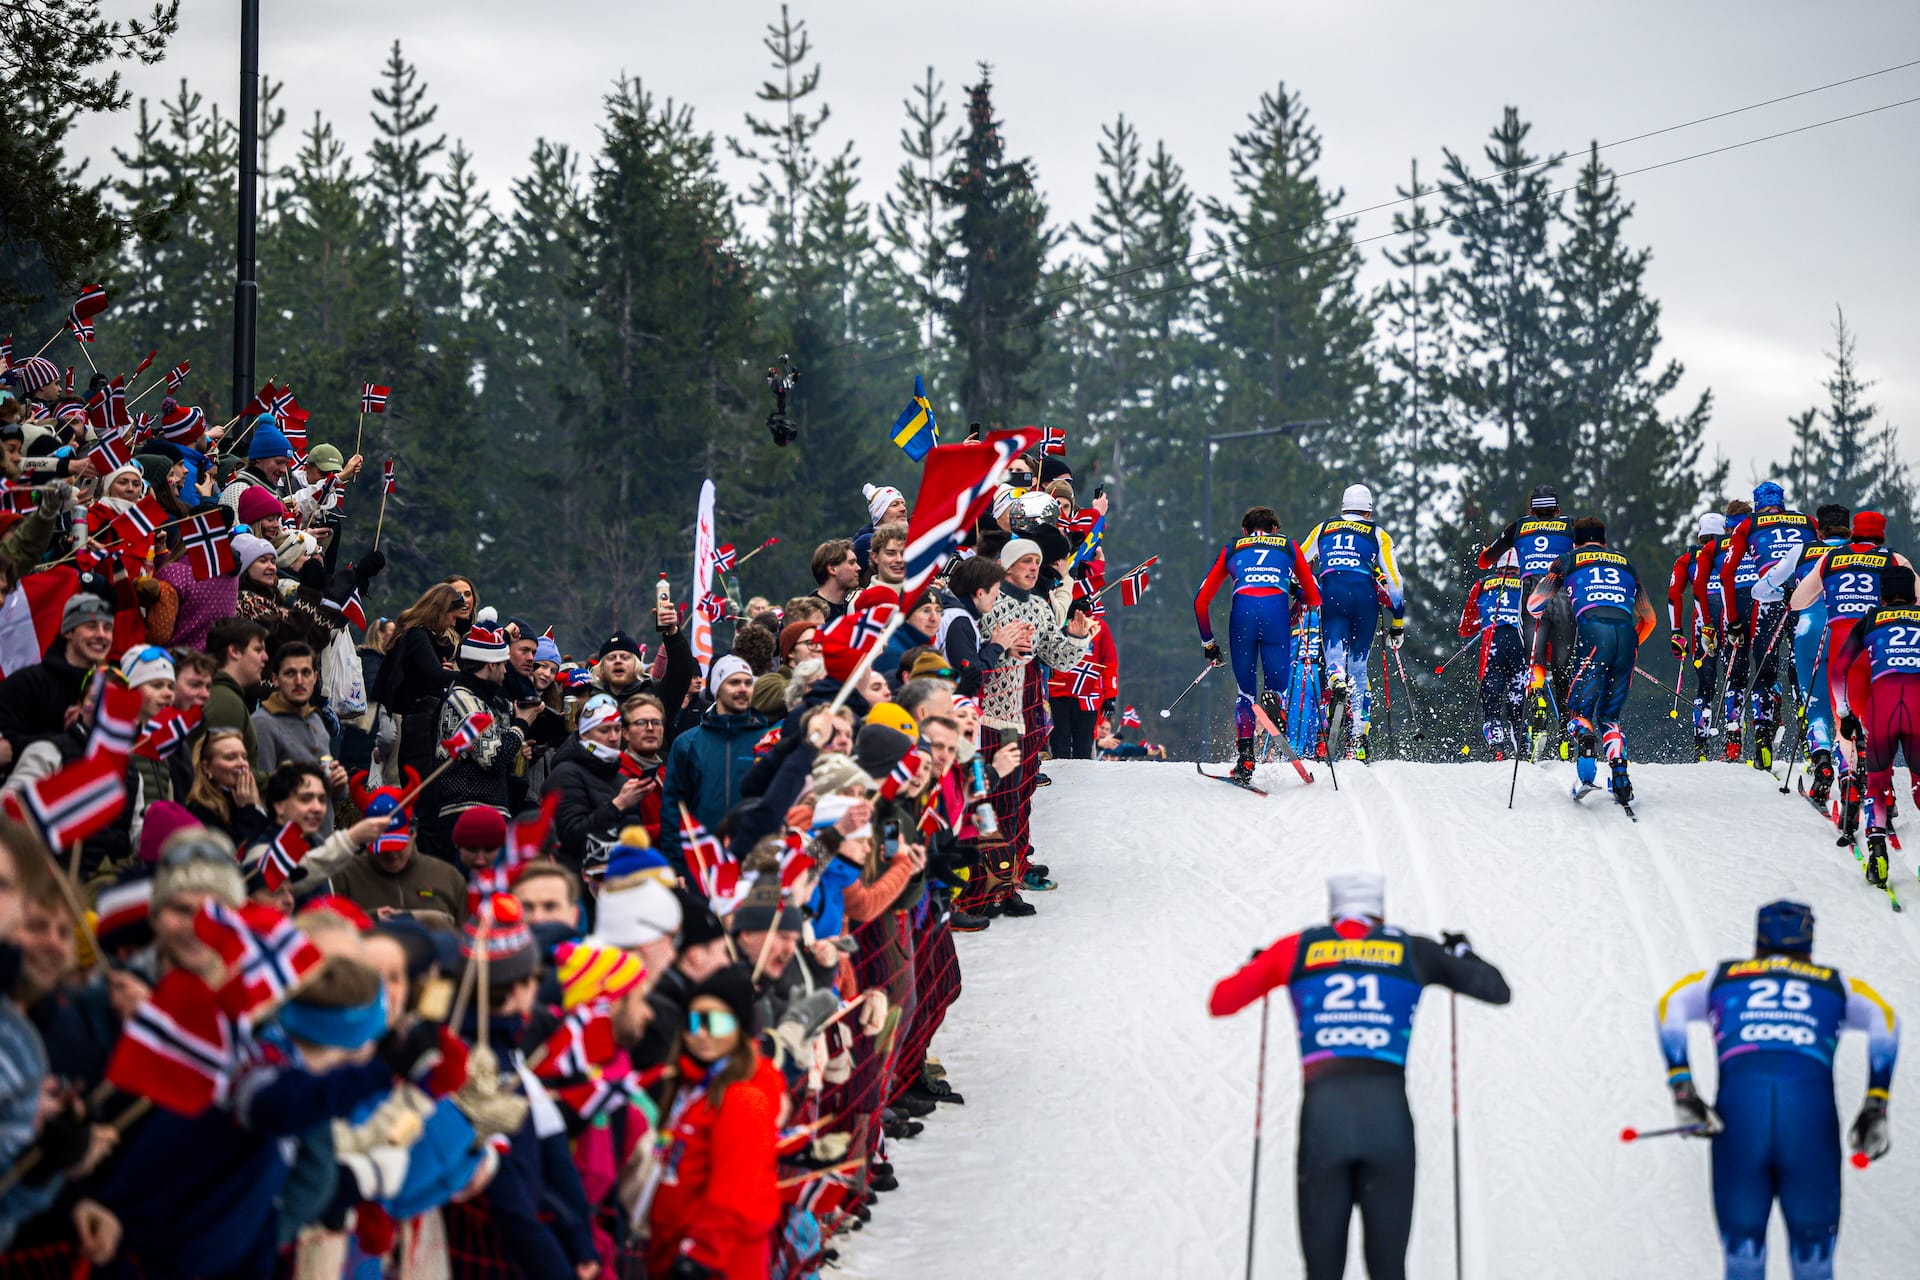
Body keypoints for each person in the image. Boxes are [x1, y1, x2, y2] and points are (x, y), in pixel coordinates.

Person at [1208, 870, 1511, 1280]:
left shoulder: (1296, 948)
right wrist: (1462, 953)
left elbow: (1221, 1001)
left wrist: (1256, 965)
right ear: (1379, 915)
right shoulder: (1411, 949)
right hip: (1389, 1125)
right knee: (1388, 1270)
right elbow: (1497, 989)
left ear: (1333, 914)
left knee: (1322, 1271)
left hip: (1323, 1124)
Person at [1655, 900, 1897, 1279]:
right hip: (1809, 1123)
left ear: (1757, 942)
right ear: (1809, 944)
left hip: (1740, 1120)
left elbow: (1669, 1006)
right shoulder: (1835, 982)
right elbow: (1886, 1020)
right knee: (1813, 1256)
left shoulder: (1721, 976)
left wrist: (1682, 1087)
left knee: (1742, 1253)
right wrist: (1875, 1103)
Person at [646, 965, 785, 1280]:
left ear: (739, 1029)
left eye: (717, 1023)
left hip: (718, 1261)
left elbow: (736, 1188)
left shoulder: (741, 1098)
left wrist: (701, 1254)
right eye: (695, 1021)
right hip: (673, 1249)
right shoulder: (689, 1087)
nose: (702, 1034)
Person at [1789, 511, 1914, 832]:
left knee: (1844, 717)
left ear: (1855, 533)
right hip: (1880, 644)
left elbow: (1798, 601)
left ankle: (1848, 782)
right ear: (1881, 535)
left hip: (1842, 645)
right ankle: (1883, 794)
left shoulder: (1831, 558)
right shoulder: (1894, 559)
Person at [1527, 516, 1658, 806]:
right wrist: (1630, 648)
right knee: (1610, 716)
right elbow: (1649, 619)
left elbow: (1534, 604)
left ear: (1576, 541)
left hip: (1593, 632)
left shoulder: (1566, 560)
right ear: (1604, 541)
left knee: (1579, 713)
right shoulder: (1624, 562)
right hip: (1625, 636)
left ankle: (1586, 751)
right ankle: (1620, 775)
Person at [1192, 506, 1323, 782]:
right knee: (1276, 687)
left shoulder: (1233, 548)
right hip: (1275, 617)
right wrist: (1292, 589)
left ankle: (1246, 760)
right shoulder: (1287, 544)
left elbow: (1200, 601)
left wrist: (1209, 644)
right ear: (1275, 529)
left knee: (1245, 694)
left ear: (1245, 531)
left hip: (1242, 620)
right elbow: (1315, 597)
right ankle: (1274, 702)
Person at [1831, 565, 1920, 887]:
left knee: (1878, 783)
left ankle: (1878, 849)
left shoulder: (1869, 620)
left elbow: (1839, 668)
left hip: (1882, 708)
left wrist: (1846, 713)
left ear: (1881, 595)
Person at [1302, 484, 1405, 760]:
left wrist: (1308, 589)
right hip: (1364, 597)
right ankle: (1358, 741)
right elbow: (1394, 580)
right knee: (1359, 668)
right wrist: (1398, 621)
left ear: (1343, 508)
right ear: (1369, 511)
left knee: (1334, 652)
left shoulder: (1323, 528)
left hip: (1332, 591)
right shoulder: (1377, 533)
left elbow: (1298, 562)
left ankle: (1335, 676)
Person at [1717, 482, 1816, 767]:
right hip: (1804, 597)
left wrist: (1733, 620)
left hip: (1769, 602)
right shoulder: (1808, 521)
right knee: (1801, 668)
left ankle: (1762, 736)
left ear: (1758, 504)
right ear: (1781, 502)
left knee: (1765, 672)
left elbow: (1727, 575)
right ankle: (1810, 739)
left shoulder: (1747, 525)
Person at [1759, 504, 1851, 799]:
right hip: (1852, 634)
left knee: (1817, 705)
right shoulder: (1861, 554)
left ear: (1819, 530)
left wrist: (1784, 593)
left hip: (1811, 632)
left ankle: (1822, 760)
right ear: (1848, 531)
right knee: (1853, 705)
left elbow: (1759, 590)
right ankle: (1855, 768)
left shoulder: (1802, 550)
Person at [1478, 485, 1575, 751]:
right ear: (1557, 510)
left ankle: (1538, 700)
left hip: (1532, 593)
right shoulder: (1570, 525)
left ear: (1531, 510)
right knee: (1563, 667)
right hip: (1562, 595)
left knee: (1534, 658)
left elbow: (1485, 561)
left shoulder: (1519, 526)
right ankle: (1567, 735)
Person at [656, 656, 767, 874]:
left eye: (748, 682)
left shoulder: (768, 741)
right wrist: (677, 868)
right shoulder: (688, 744)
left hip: (754, 864)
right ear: (717, 689)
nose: (743, 688)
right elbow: (673, 810)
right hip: (700, 865)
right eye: (734, 682)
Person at [0, 586, 116, 766]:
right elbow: (5, 749)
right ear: (68, 632)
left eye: (107, 628)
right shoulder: (25, 684)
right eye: (91, 626)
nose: (101, 635)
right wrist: (71, 737)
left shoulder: (111, 690)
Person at [250, 642, 347, 834]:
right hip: (288, 845)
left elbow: (331, 794)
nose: (299, 681)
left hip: (323, 842)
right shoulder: (263, 723)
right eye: (290, 673)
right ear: (275, 679)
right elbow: (261, 794)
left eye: (305, 672)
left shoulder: (316, 720)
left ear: (315, 677)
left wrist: (340, 784)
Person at [1456, 548, 1527, 758]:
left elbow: (1465, 627)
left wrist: (1484, 623)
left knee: (1492, 701)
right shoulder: (1528, 584)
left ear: (1498, 567)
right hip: (1520, 646)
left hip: (1492, 646)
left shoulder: (1482, 585)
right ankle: (1522, 747)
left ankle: (1497, 746)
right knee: (1517, 701)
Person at [1670, 513, 1727, 762]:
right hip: (1730, 620)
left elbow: (1674, 594)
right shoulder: (1732, 552)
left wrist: (1676, 633)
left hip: (1702, 626)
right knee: (1735, 681)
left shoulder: (1687, 559)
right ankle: (1734, 744)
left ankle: (1700, 747)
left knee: (1706, 686)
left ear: (1699, 535)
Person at [200, 616, 269, 770]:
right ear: (234, 651)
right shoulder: (226, 703)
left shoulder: (224, 695)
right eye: (258, 650)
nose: (265, 657)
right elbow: (227, 773)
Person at [853, 483, 907, 573]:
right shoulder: (867, 542)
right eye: (895, 505)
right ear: (879, 513)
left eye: (903, 504)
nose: (903, 509)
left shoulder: (913, 539)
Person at [809, 539, 860, 621]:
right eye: (851, 563)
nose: (858, 568)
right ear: (832, 569)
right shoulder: (809, 612)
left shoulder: (853, 608)